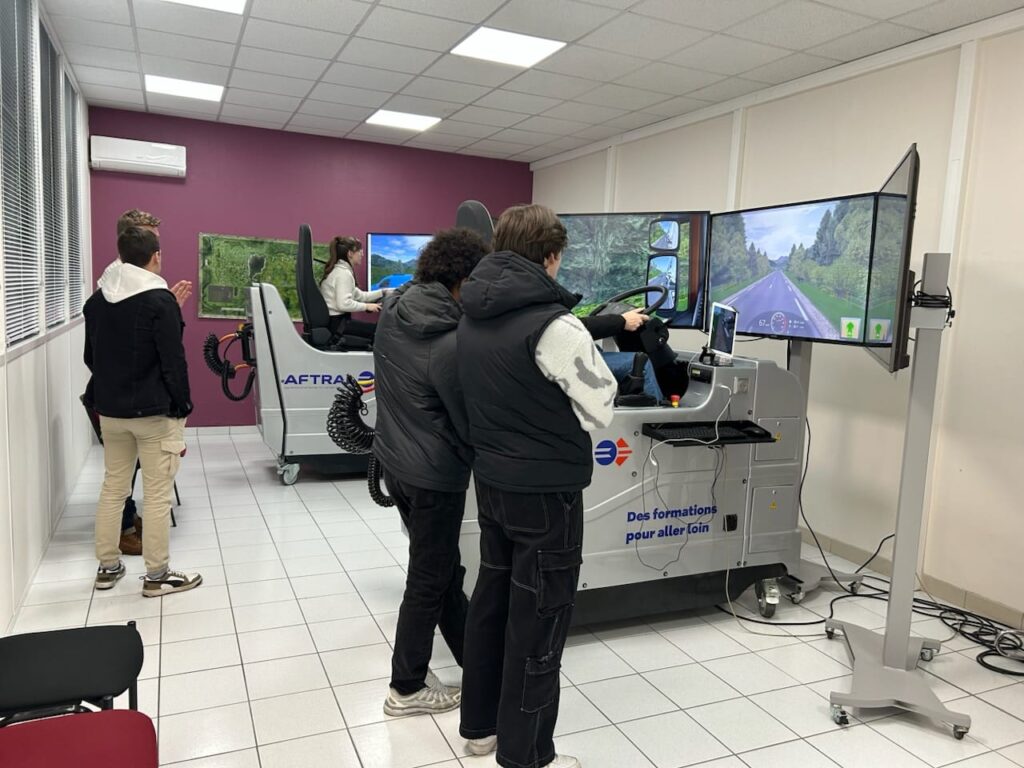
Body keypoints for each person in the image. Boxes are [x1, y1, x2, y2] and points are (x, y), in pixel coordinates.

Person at [457, 204, 617, 768]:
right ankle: (526, 754)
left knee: (492, 604)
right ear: (550, 256)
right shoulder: (557, 326)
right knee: (540, 619)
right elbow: (601, 407)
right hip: (547, 493)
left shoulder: (472, 313)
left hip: (493, 483)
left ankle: (480, 728)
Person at [372, 228, 490, 717]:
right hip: (434, 473)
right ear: (462, 280)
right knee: (427, 578)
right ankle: (407, 687)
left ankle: (475, 663)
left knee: (443, 570)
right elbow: (468, 423)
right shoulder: (447, 341)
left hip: (398, 461)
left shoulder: (394, 313)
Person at [84, 226, 202, 598]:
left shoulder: (97, 301)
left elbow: (91, 357)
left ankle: (107, 567)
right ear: (156, 257)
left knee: (113, 489)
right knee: (156, 495)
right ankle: (156, 575)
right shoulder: (159, 301)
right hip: (154, 414)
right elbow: (172, 361)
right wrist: (183, 405)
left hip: (112, 412)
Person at [106, 210, 192, 556]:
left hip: (118, 397)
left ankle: (111, 553)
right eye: (149, 238)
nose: (157, 247)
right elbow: (160, 350)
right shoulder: (119, 283)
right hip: (140, 400)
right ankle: (139, 548)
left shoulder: (132, 284)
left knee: (119, 480)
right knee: (149, 487)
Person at [581, 309, 664, 402]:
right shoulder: (561, 306)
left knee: (596, 348)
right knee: (641, 363)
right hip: (575, 361)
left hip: (576, 354)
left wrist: (618, 320)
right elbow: (577, 327)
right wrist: (622, 321)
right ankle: (657, 408)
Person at [319, 235, 383, 342]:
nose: (362, 254)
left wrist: (383, 292)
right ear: (350, 253)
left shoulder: (340, 271)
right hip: (338, 326)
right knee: (380, 332)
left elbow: (360, 295)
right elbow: (343, 303)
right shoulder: (343, 274)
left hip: (336, 323)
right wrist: (367, 306)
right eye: (360, 251)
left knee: (377, 330)